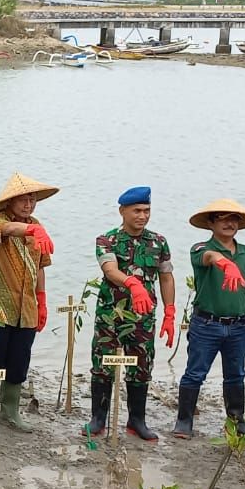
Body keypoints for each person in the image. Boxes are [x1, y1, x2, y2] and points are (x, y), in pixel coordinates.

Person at [175, 199, 245, 438]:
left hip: (238, 325)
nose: (229, 223)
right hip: (206, 324)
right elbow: (209, 257)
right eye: (223, 218)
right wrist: (225, 263)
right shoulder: (200, 248)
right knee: (195, 372)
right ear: (210, 223)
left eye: (234, 219)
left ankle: (236, 420)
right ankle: (184, 421)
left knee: (236, 373)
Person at [89, 186, 176, 442]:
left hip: (143, 316)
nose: (142, 216)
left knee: (141, 366)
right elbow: (110, 270)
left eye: (147, 210)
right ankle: (98, 419)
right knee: (103, 365)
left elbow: (167, 277)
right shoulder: (107, 240)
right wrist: (133, 284)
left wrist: (170, 312)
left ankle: (136, 420)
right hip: (110, 315)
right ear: (122, 211)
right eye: (137, 210)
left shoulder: (158, 242)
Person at [0, 173, 57, 435]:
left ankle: (9, 412)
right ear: (9, 202)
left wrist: (42, 299)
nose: (28, 204)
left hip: (27, 307)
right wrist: (30, 230)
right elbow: (7, 230)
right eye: (23, 199)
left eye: (32, 199)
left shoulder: (38, 224)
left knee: (19, 360)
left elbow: (41, 267)